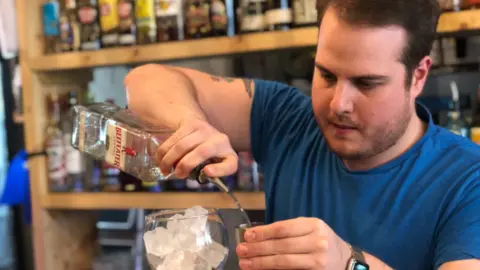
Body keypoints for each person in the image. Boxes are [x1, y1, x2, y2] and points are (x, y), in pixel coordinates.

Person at [124, 0, 480, 269]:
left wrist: (350, 263)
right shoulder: (290, 120)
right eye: (326, 75)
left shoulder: (468, 180)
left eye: (366, 83)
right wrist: (192, 124)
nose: (338, 104)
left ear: (418, 76)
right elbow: (144, 81)